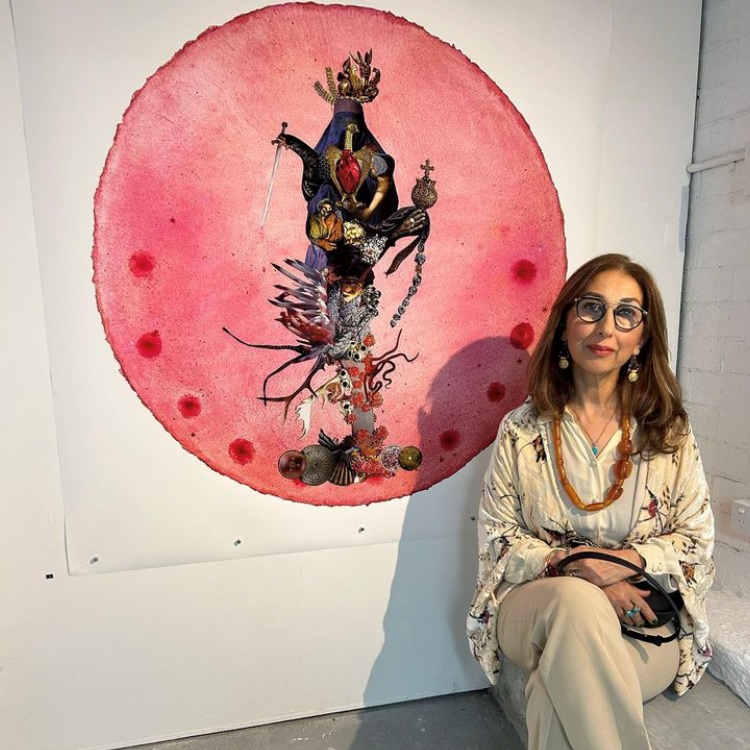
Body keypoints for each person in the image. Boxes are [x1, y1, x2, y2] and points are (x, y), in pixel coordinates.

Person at [467, 253, 715, 750]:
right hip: (536, 609)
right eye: (591, 307)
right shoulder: (521, 430)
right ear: (563, 325)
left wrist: (621, 565)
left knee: (551, 692)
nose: (606, 326)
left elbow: (696, 542)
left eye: (627, 313)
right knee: (575, 603)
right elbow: (498, 540)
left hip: (640, 622)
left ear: (642, 338)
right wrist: (581, 570)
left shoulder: (668, 433)